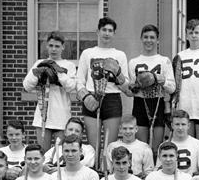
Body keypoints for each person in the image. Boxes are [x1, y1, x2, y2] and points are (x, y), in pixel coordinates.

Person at [76, 17, 130, 153]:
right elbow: (79, 81)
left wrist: (118, 73)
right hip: (91, 96)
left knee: (109, 145)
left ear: (114, 34)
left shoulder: (120, 55)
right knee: (94, 146)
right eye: (104, 30)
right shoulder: (88, 53)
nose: (107, 33)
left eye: (110, 31)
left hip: (112, 99)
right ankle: (95, 172)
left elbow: (126, 88)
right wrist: (85, 97)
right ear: (98, 31)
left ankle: (107, 172)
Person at [125, 24, 176, 155]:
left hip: (158, 103)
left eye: (152, 37)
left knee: (156, 148)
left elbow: (172, 88)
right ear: (141, 38)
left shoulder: (164, 61)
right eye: (146, 37)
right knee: (142, 147)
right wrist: (135, 86)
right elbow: (129, 92)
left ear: (157, 40)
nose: (149, 40)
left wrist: (161, 80)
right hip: (140, 103)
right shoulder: (133, 62)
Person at [23, 30, 77, 151]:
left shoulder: (69, 65)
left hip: (61, 116)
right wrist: (37, 73)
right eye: (51, 46)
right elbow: (27, 86)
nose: (54, 49)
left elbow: (71, 86)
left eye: (57, 46)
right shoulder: (39, 63)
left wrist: (57, 71)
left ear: (63, 47)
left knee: (60, 154)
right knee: (43, 154)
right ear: (47, 45)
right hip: (43, 115)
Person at [165, 109, 199, 175]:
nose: (180, 128)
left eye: (183, 124)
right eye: (177, 124)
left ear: (188, 125)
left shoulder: (198, 144)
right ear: (172, 126)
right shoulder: (164, 146)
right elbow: (159, 171)